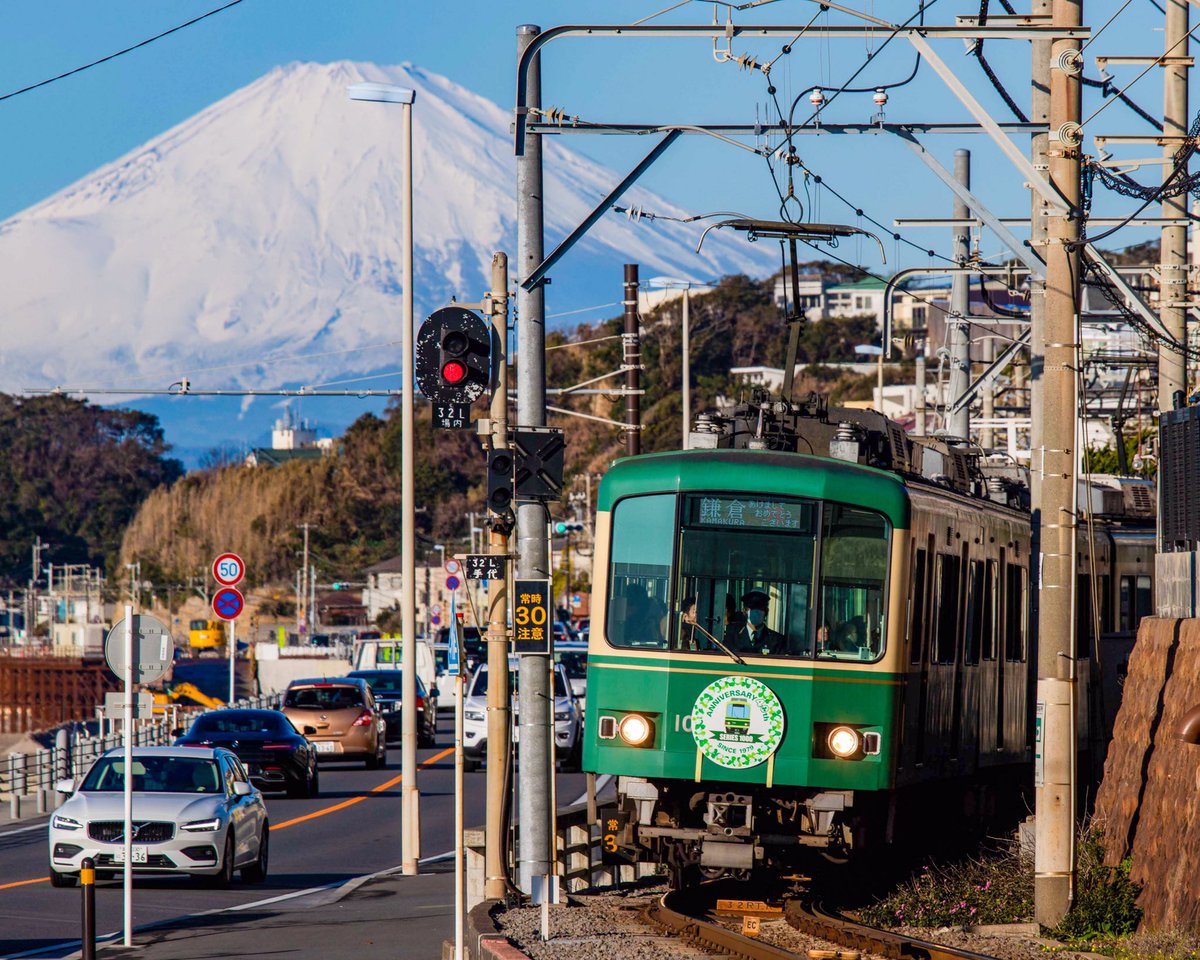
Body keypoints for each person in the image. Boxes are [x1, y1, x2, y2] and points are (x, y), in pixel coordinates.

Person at [724, 590, 785, 655]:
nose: (756, 612)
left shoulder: (776, 640)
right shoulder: (731, 636)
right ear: (744, 611)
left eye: (760, 608)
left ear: (766, 612)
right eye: (752, 608)